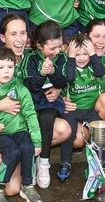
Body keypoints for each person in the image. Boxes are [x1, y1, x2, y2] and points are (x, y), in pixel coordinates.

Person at [0, 14, 71, 194]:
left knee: (63, 129)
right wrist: (1, 105)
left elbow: (55, 71)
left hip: (23, 125)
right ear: (3, 38)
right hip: (1, 127)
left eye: (23, 33)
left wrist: (58, 89)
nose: (19, 39)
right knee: (11, 189)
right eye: (13, 34)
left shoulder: (32, 57)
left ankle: (30, 154)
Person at [0, 47, 43, 202]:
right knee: (12, 152)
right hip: (1, 133)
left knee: (28, 148)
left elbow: (30, 115)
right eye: (1, 67)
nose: (6, 71)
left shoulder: (20, 89)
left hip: (19, 130)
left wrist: (37, 141)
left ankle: (28, 186)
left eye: (10, 67)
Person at [21, 21, 69, 188]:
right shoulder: (31, 58)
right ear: (39, 45)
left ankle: (44, 162)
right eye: (52, 48)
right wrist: (42, 74)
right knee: (36, 119)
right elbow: (29, 86)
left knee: (47, 117)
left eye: (60, 46)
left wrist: (54, 74)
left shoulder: (62, 57)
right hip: (33, 101)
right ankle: (33, 161)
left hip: (51, 102)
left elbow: (65, 79)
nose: (57, 51)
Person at [60, 33, 105, 181]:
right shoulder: (68, 64)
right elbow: (70, 77)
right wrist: (71, 57)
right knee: (69, 135)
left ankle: (103, 162)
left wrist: (92, 54)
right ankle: (65, 162)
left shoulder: (94, 65)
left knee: (100, 130)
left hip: (90, 109)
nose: (81, 57)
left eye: (85, 54)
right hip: (73, 109)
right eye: (77, 54)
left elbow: (101, 72)